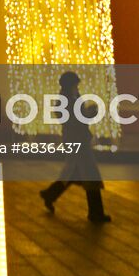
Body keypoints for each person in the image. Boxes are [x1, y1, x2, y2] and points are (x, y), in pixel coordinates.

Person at [39, 71, 111, 224]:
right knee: (90, 174)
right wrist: (87, 114)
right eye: (75, 84)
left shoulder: (73, 97)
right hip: (76, 141)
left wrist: (87, 114)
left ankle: (50, 195)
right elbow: (72, 119)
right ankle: (96, 213)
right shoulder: (65, 100)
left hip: (78, 139)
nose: (77, 86)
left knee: (73, 173)